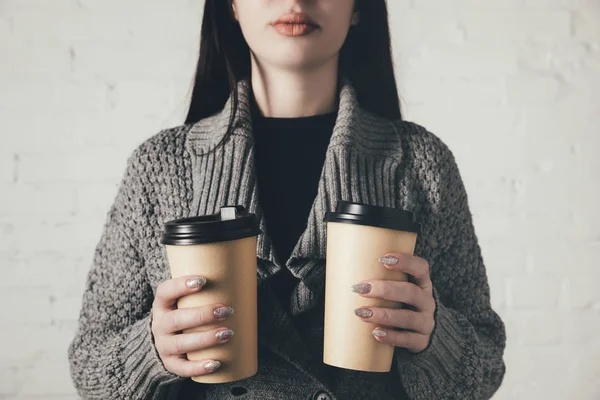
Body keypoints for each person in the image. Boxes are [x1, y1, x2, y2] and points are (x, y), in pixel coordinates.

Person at [68, 1, 506, 399]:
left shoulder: (419, 163)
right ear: (232, 7)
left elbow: (484, 368)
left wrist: (434, 339)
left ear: (358, 9)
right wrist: (153, 351)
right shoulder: (159, 168)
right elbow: (89, 366)